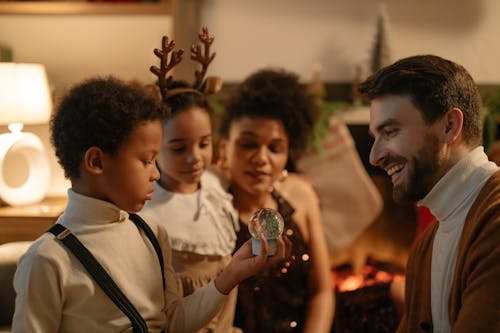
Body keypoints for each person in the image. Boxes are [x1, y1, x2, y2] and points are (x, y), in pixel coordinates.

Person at [12, 76, 288, 333]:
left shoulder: (151, 233)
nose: (155, 173)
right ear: (96, 162)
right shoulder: (48, 259)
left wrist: (231, 274)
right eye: (146, 161)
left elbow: (173, 322)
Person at [359, 54, 500, 332]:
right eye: (375, 137)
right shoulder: (426, 247)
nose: (375, 156)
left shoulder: (494, 221)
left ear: (449, 126)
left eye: (390, 132)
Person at [217, 68, 334, 333]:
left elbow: (322, 292)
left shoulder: (301, 196)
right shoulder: (212, 208)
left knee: (398, 293)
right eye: (248, 144)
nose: (261, 158)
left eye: (275, 148)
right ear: (224, 148)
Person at [140, 79, 241, 333]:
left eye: (204, 144)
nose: (195, 157)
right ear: (153, 147)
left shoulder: (215, 185)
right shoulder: (148, 208)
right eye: (179, 147)